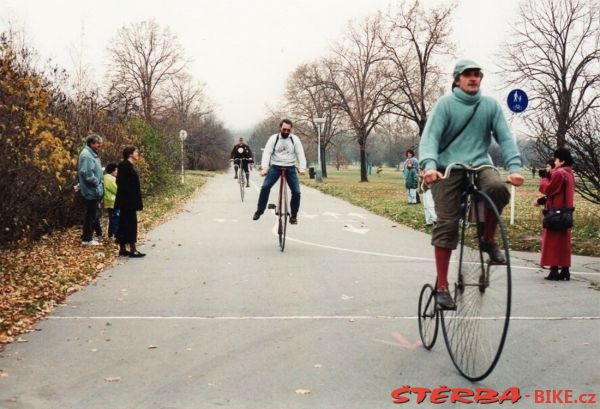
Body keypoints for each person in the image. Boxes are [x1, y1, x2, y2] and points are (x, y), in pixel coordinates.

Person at [419, 59, 524, 310]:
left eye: (477, 74)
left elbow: (505, 138)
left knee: (498, 189)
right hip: (448, 167)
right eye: (468, 75)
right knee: (447, 222)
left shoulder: (489, 106)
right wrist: (430, 165)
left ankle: (487, 240)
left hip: (479, 164)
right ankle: (442, 288)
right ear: (457, 79)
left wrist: (515, 168)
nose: (473, 78)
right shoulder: (445, 105)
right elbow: (430, 137)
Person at [253, 119, 307, 225]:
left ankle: (294, 215)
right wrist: (264, 168)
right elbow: (267, 153)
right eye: (284, 129)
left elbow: (300, 153)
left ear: (291, 129)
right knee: (265, 187)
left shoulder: (294, 139)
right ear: (280, 128)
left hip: (290, 167)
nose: (286, 132)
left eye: (288, 130)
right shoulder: (274, 138)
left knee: (296, 192)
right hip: (276, 167)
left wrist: (302, 168)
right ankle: (260, 210)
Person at [539, 148, 575, 281]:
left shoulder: (559, 173)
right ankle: (565, 269)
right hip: (566, 211)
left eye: (556, 159)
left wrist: (544, 179)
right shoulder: (569, 173)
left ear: (562, 160)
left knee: (552, 241)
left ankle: (554, 269)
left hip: (555, 211)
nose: (554, 161)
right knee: (564, 241)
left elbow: (548, 189)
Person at [115, 146, 145, 258]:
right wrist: (130, 197)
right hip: (127, 202)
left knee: (125, 223)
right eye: (136, 152)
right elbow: (122, 183)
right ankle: (132, 249)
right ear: (130, 154)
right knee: (130, 224)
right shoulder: (124, 166)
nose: (138, 153)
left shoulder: (128, 166)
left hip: (128, 201)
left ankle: (123, 249)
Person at [77, 134, 104, 246]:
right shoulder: (87, 156)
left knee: (92, 215)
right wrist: (97, 182)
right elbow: (87, 174)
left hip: (93, 190)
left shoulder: (91, 154)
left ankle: (87, 237)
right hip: (90, 191)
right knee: (90, 215)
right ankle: (87, 239)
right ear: (91, 143)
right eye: (97, 143)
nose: (99, 145)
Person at [103, 163, 119, 240]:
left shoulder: (105, 178)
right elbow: (116, 190)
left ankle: (111, 235)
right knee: (116, 218)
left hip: (108, 201)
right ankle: (115, 235)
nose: (117, 171)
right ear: (111, 170)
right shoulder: (110, 179)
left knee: (112, 218)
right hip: (113, 201)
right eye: (116, 170)